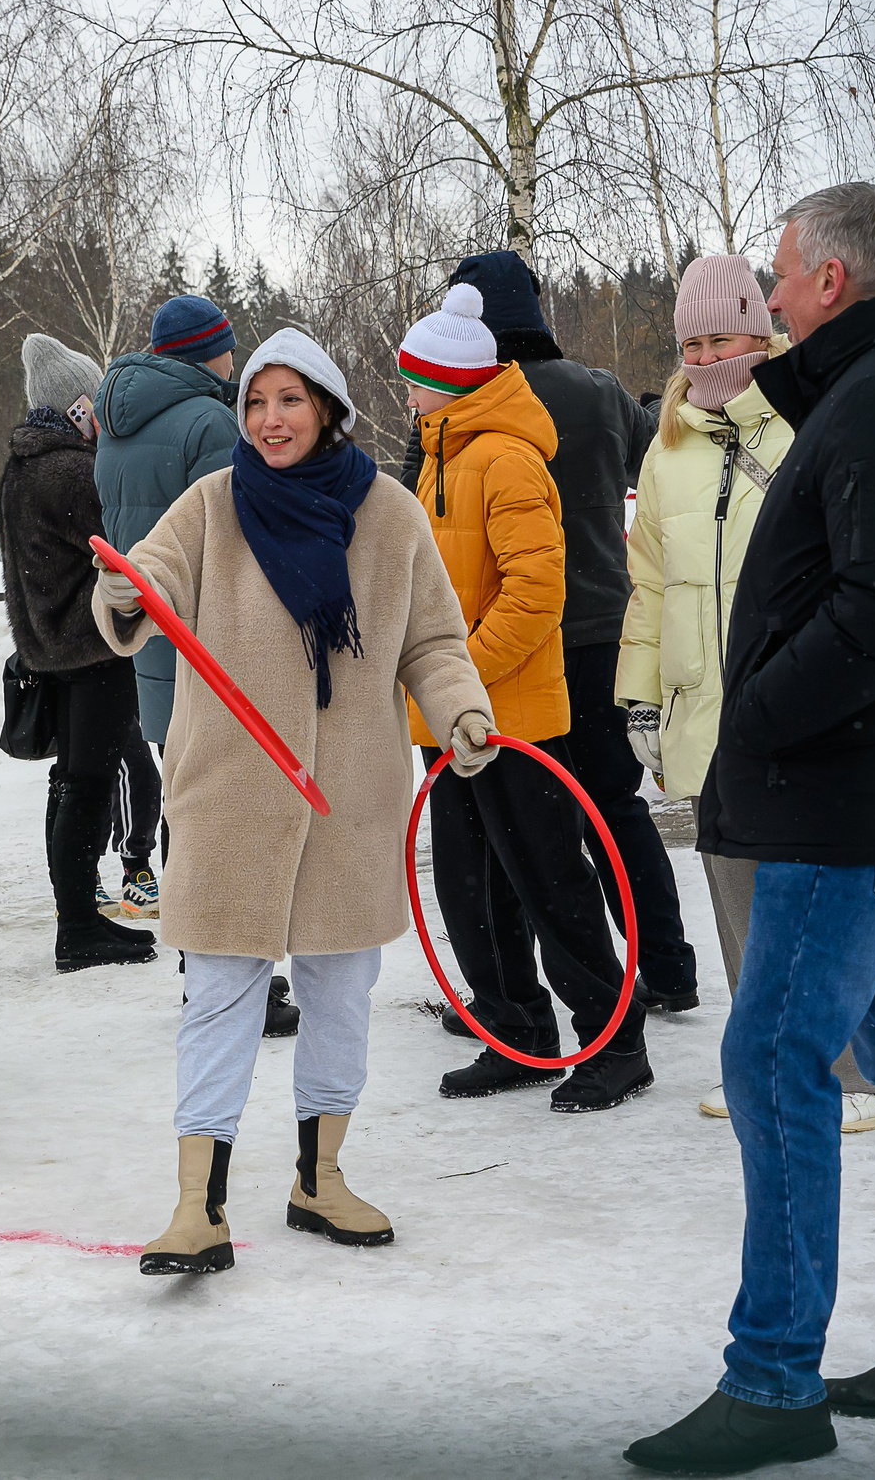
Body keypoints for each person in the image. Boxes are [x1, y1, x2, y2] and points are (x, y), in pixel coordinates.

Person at [626, 184, 875, 1475]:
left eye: (783, 277)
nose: (771, 299)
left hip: (846, 797)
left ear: (833, 281)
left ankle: (774, 1376)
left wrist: (759, 717)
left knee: (775, 1062)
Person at [93, 329, 493, 1275]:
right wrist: (127, 591)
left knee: (340, 995)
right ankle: (199, 1204)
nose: (271, 419)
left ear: (328, 409)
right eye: (258, 401)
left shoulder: (390, 516)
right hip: (231, 791)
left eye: (290, 400)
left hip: (347, 797)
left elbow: (432, 643)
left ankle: (321, 1178)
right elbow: (149, 582)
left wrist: (462, 712)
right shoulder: (212, 505)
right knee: (221, 994)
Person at [614, 254, 875, 1135]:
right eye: (690, 342)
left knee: (809, 888)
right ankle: (759, 1063)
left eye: (722, 336)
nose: (706, 356)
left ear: (759, 332)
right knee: (735, 890)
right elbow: (649, 588)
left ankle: (843, 1075)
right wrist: (640, 696)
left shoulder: (809, 420)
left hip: (803, 706)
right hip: (708, 708)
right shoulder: (669, 450)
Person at [416, 252, 696, 1018]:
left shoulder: (464, 413)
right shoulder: (599, 391)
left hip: (514, 654)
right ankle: (668, 964)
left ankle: (519, 994)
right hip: (603, 630)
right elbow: (661, 449)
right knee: (614, 808)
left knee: (521, 837)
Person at [401, 284, 653, 1112]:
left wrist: (459, 677)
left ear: (451, 381)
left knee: (550, 880)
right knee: (472, 886)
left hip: (514, 719)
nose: (404, 391)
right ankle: (518, 1028)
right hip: (451, 720)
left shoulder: (504, 456)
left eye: (414, 376)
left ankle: (616, 1042)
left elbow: (536, 593)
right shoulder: (439, 454)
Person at [0, 333, 165, 974]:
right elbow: (119, 542)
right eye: (94, 405)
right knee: (89, 785)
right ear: (76, 407)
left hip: (47, 650)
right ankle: (78, 930)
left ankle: (78, 916)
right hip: (90, 647)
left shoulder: (20, 467)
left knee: (70, 783)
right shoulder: (68, 471)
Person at [93, 295, 243, 903]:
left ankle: (196, 960)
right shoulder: (209, 424)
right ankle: (225, 967)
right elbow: (231, 544)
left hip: (150, 636)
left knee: (184, 794)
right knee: (226, 812)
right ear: (213, 352)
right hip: (208, 638)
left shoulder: (116, 429)